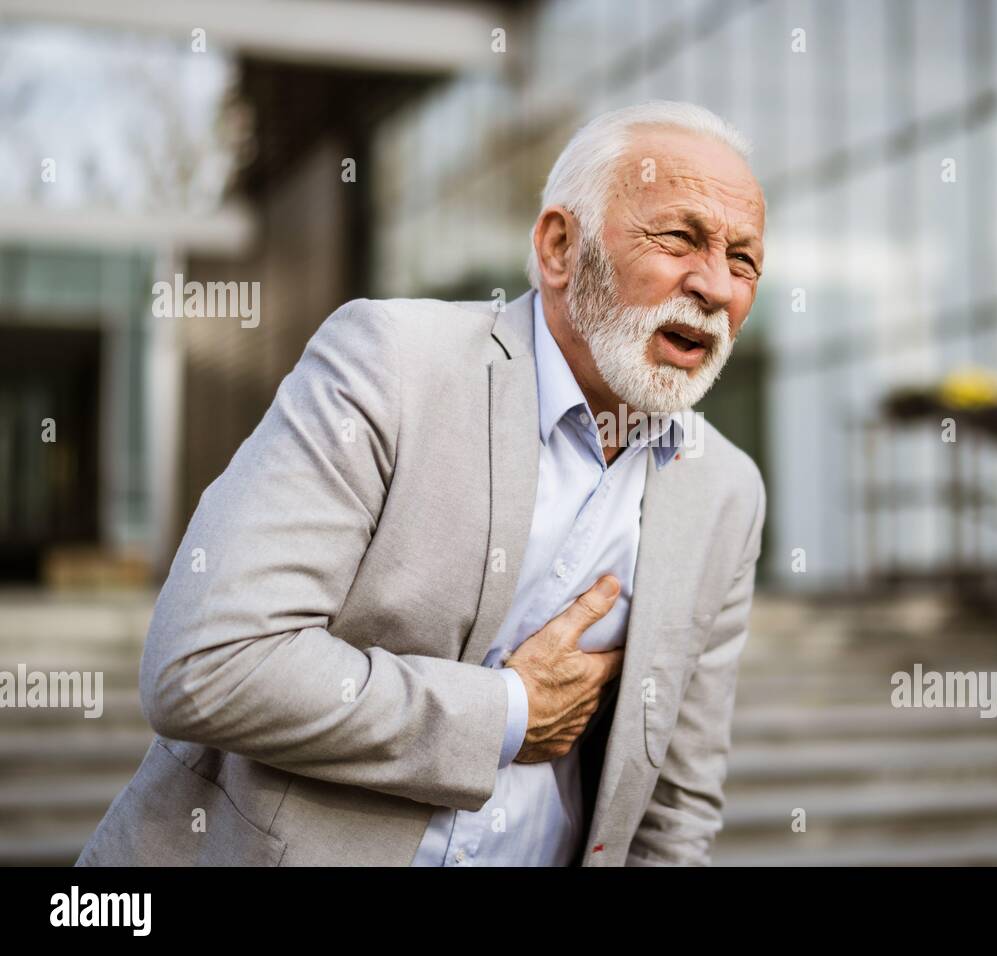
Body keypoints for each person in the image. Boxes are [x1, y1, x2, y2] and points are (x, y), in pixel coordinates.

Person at [76, 99, 767, 867]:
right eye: (680, 237)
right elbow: (205, 664)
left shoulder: (727, 492)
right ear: (561, 247)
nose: (714, 285)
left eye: (744, 260)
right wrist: (507, 712)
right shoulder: (390, 363)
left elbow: (674, 808)